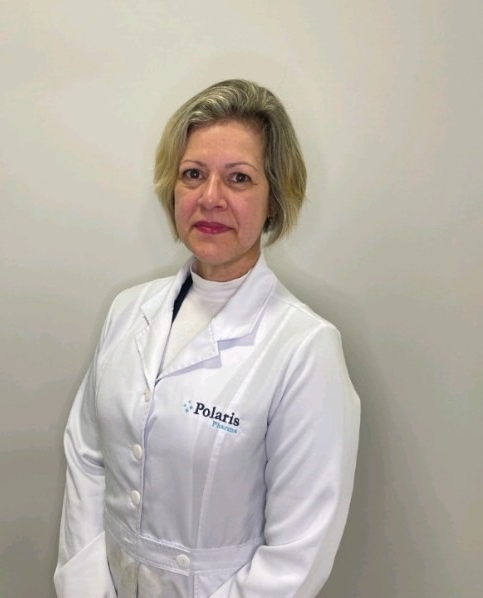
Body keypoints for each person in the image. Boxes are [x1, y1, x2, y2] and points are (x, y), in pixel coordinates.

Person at [54, 79, 360, 597]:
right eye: (193, 174)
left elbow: (295, 559)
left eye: (239, 178)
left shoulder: (305, 349)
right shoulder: (128, 310)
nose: (210, 198)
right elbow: (87, 458)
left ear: (274, 199)